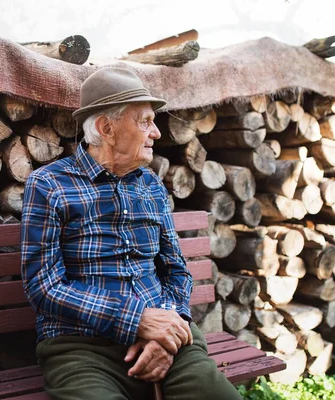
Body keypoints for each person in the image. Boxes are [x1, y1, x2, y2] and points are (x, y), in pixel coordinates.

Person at [21, 67, 242, 400]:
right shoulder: (49, 185)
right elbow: (44, 286)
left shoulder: (151, 185)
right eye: (145, 121)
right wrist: (137, 320)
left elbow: (177, 271)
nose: (155, 132)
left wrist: (166, 333)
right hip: (81, 347)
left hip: (166, 336)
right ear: (107, 128)